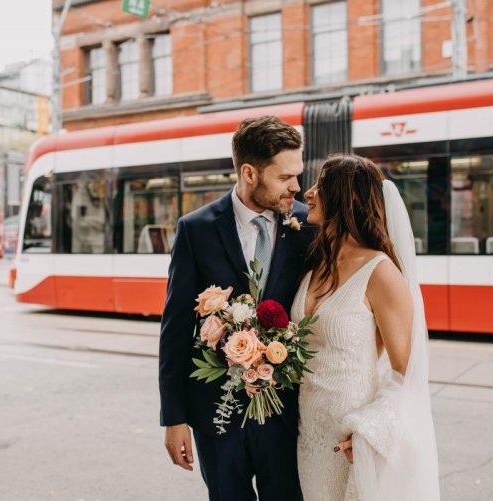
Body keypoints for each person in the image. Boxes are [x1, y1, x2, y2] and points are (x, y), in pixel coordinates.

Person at [159, 116, 314, 501]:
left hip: (287, 413)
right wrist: (174, 417)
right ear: (249, 173)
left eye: (297, 175)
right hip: (216, 415)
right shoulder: (196, 229)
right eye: (285, 177)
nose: (297, 187)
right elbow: (176, 328)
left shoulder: (309, 224)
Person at [292, 154, 440, 500]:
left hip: (351, 438)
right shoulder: (317, 262)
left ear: (347, 198)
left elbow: (406, 372)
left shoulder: (381, 272)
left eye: (320, 186)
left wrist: (370, 431)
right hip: (307, 435)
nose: (308, 194)